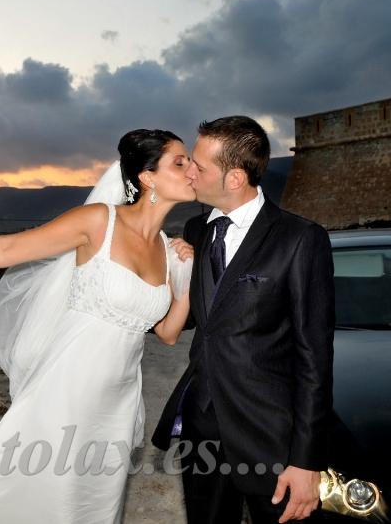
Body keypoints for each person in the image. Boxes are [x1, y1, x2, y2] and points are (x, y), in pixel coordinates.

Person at [0, 129, 196, 523]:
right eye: (181, 162)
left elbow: (169, 333)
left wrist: (187, 276)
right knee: (25, 493)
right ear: (147, 176)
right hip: (63, 390)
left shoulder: (169, 249)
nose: (194, 169)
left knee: (90, 506)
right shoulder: (98, 222)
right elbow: (7, 248)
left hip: (117, 404)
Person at [151, 116, 335, 524]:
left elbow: (314, 360)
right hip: (202, 430)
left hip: (270, 436)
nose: (190, 172)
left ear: (235, 178)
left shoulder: (300, 239)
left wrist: (306, 462)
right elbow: (198, 319)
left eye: (199, 166)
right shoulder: (196, 229)